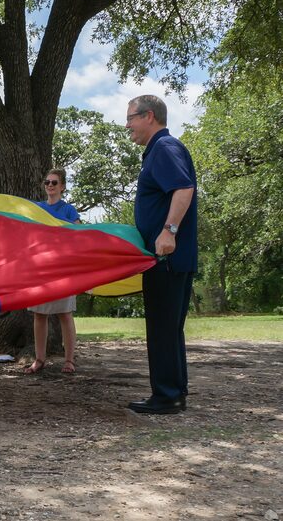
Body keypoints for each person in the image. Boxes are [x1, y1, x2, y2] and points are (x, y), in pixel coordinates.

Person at [125, 95, 197, 415]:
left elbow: (183, 189)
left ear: (149, 116)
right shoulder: (158, 151)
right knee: (169, 327)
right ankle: (175, 391)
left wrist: (169, 230)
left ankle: (167, 396)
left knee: (162, 326)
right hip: (168, 257)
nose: (127, 125)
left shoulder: (165, 149)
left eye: (131, 118)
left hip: (166, 256)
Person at [24, 169, 81, 374]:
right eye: (47, 182)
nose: (50, 185)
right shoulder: (36, 209)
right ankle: (39, 360)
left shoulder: (69, 211)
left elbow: (78, 235)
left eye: (54, 182)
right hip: (40, 267)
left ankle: (69, 361)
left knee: (65, 314)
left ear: (62, 186)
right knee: (39, 315)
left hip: (63, 267)